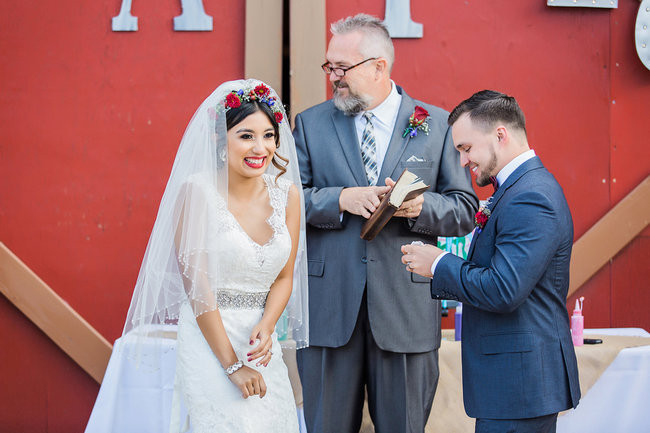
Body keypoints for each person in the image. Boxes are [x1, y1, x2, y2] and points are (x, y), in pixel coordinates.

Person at [293, 14, 478, 433]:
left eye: (342, 68)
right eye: (329, 67)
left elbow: (465, 209)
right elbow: (284, 202)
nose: (332, 77)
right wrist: (341, 199)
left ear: (379, 67)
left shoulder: (436, 126)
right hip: (328, 308)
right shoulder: (310, 124)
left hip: (405, 310)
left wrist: (418, 207)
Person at [121, 79, 309, 433]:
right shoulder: (197, 192)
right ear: (221, 141)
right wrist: (232, 366)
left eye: (269, 135)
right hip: (211, 340)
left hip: (260, 344)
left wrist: (267, 328)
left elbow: (285, 276)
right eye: (246, 135)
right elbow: (198, 286)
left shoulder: (288, 195)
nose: (261, 147)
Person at [401, 90, 581, 433]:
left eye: (466, 148)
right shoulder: (516, 189)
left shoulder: (531, 196)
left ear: (500, 134)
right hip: (514, 385)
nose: (464, 161)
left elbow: (503, 289)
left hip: (521, 385)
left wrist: (439, 263)